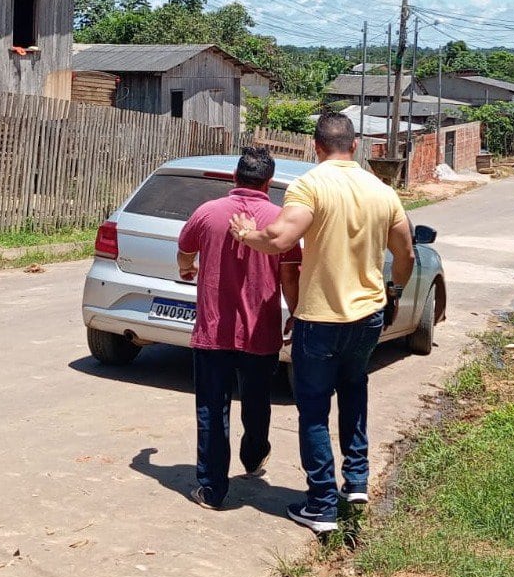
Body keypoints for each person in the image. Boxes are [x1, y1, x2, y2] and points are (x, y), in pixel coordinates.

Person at [230, 113, 414, 535]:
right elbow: (405, 253)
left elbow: (278, 239)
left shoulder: (309, 186)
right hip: (367, 315)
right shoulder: (383, 191)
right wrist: (395, 291)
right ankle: (357, 481)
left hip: (320, 318)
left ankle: (321, 504)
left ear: (316, 146)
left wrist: (246, 235)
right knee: (354, 392)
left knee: (314, 410)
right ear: (355, 145)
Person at [176, 147, 301, 510]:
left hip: (213, 332)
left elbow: (185, 249)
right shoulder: (279, 221)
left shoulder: (208, 212)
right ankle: (254, 455)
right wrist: (296, 313)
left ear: (235, 177)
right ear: (268, 182)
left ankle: (212, 490)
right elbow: (290, 276)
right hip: (260, 332)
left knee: (211, 410)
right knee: (257, 401)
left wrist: (186, 267)